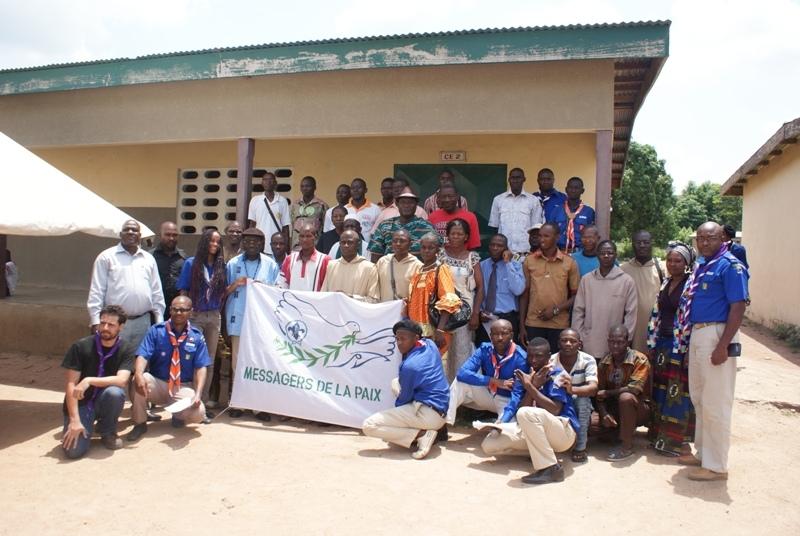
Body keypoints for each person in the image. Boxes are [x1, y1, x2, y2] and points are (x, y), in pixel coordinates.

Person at [680, 222, 749, 481]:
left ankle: (717, 466)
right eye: (700, 238)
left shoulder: (730, 266)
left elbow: (738, 307)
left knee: (716, 402)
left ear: (722, 238)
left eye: (710, 238)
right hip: (699, 332)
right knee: (699, 397)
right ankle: (703, 453)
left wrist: (723, 346)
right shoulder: (704, 265)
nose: (704, 243)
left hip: (717, 333)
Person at [481, 337, 579, 485]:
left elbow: (555, 410)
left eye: (538, 356)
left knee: (526, 413)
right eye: (530, 356)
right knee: (489, 444)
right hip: (538, 432)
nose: (533, 360)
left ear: (548, 356)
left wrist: (531, 387)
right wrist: (530, 386)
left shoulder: (557, 375)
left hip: (563, 433)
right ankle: (539, 453)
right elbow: (521, 409)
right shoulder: (525, 375)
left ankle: (551, 468)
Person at [362, 320, 450, 460]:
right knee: (396, 382)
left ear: (416, 338)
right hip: (442, 410)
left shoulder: (410, 366)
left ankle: (422, 435)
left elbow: (404, 400)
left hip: (427, 414)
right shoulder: (430, 345)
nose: (399, 343)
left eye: (403, 339)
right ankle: (437, 429)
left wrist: (397, 419)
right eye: (397, 339)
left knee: (368, 425)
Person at [126, 296, 211, 442]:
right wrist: (139, 373)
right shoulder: (156, 331)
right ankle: (140, 423)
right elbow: (143, 355)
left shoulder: (196, 336)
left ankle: (178, 416)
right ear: (170, 310)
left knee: (198, 413)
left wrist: (198, 393)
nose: (178, 313)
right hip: (158, 382)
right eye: (175, 309)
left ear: (191, 312)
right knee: (140, 380)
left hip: (182, 386)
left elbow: (201, 367)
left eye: (183, 310)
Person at [61, 305, 134, 459]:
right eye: (102, 323)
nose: (105, 328)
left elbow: (122, 380)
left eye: (111, 325)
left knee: (115, 393)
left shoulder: (126, 349)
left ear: (121, 327)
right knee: (74, 452)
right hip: (81, 403)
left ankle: (107, 431)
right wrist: (74, 420)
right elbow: (71, 385)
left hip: (104, 401)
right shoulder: (80, 346)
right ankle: (82, 422)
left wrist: (89, 380)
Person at [225, 228, 280, 419]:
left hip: (261, 323)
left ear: (262, 245)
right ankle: (238, 404)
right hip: (238, 319)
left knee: (259, 364)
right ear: (242, 243)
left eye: (256, 242)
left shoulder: (270, 265)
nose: (251, 245)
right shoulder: (232, 264)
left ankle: (258, 406)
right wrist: (236, 284)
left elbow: (277, 293)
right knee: (237, 363)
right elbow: (223, 292)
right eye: (247, 241)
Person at [647, 241, 695, 457]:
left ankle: (676, 442)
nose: (673, 264)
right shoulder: (665, 283)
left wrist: (688, 349)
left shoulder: (690, 285)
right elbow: (656, 315)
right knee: (660, 390)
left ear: (686, 263)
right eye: (670, 260)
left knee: (677, 393)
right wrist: (652, 343)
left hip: (679, 345)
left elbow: (691, 319)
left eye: (678, 261)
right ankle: (658, 437)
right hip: (662, 344)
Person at [87, 219, 165, 347]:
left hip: (143, 322)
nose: (130, 232)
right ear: (120, 234)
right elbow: (97, 291)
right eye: (126, 229)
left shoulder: (148, 259)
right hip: (114, 321)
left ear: (140, 235)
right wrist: (96, 321)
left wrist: (159, 321)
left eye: (134, 230)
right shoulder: (106, 257)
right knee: (113, 360)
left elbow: (156, 292)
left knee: (140, 361)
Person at [176, 228, 227, 407]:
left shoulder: (221, 266)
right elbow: (183, 290)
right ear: (204, 242)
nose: (214, 244)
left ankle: (202, 402)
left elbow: (222, 292)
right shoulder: (191, 264)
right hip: (195, 316)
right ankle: (185, 399)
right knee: (190, 357)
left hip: (213, 317)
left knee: (209, 361)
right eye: (211, 241)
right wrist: (185, 315)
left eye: (217, 241)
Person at [445, 319, 528, 428]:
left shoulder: (520, 358)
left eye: (504, 334)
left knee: (501, 436)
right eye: (496, 334)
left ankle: (500, 423)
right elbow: (462, 373)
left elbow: (517, 395)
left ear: (511, 335)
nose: (500, 338)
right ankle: (443, 423)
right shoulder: (485, 349)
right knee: (459, 382)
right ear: (490, 335)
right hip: (488, 394)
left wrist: (504, 419)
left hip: (507, 401)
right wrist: (493, 381)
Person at [519, 222, 580, 353]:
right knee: (534, 362)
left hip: (559, 324)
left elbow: (576, 296)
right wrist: (522, 326)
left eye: (546, 236)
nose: (541, 239)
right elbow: (525, 295)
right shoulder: (529, 261)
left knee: (555, 364)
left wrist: (555, 310)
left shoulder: (569, 262)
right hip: (533, 323)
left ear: (557, 237)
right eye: (540, 236)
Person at [593, 325, 651, 461]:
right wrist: (604, 414)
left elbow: (634, 389)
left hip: (639, 408)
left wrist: (608, 393)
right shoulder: (604, 362)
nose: (615, 346)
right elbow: (598, 394)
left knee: (626, 398)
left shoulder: (639, 359)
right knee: (592, 425)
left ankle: (626, 446)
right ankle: (618, 432)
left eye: (619, 342)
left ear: (627, 342)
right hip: (614, 409)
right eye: (612, 342)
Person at [572, 240, 637, 360]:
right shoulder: (587, 280)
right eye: (603, 253)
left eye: (610, 253)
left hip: (615, 344)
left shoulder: (627, 281)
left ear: (616, 255)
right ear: (597, 255)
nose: (606, 256)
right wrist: (578, 337)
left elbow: (631, 314)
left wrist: (626, 339)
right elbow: (578, 311)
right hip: (589, 341)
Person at [439, 219, 484, 380]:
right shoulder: (441, 254)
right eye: (453, 234)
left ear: (466, 236)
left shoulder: (472, 257)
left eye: (460, 234)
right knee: (444, 349)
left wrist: (475, 314)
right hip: (443, 309)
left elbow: (480, 288)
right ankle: (444, 390)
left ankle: (462, 393)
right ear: (447, 236)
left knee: (461, 349)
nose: (456, 237)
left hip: (465, 311)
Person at [407, 233, 462, 357]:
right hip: (418, 332)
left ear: (438, 250)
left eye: (430, 247)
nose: (426, 251)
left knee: (434, 368)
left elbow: (449, 299)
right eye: (423, 247)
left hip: (435, 331)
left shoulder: (441, 269)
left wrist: (440, 330)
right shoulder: (419, 271)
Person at [550, 329, 597, 463]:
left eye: (573, 341)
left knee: (582, 400)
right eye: (564, 340)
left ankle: (580, 447)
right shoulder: (551, 361)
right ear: (558, 343)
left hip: (578, 401)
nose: (568, 344)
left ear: (580, 344)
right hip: (557, 400)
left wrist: (572, 390)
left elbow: (593, 388)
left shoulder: (588, 360)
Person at [621, 230, 665, 354]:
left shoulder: (662, 268)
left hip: (655, 327)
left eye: (646, 242)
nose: (642, 246)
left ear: (652, 244)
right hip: (632, 328)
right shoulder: (623, 269)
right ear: (632, 244)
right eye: (638, 242)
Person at [477, 234, 525, 344]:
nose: (495, 248)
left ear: (506, 249)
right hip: (486, 320)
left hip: (507, 318)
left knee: (507, 354)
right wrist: (479, 312)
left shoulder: (515, 265)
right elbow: (477, 291)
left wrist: (508, 263)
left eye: (499, 246)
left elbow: (518, 290)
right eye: (492, 245)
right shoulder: (481, 266)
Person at [488, 167, 544, 255]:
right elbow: (494, 228)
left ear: (524, 179)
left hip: (525, 253)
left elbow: (536, 229)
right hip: (504, 253)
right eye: (513, 178)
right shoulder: (498, 200)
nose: (515, 180)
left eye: (518, 178)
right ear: (509, 179)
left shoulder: (533, 201)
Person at [369, 187, 435, 261]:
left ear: (416, 205)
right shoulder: (385, 225)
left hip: (418, 271)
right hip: (390, 270)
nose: (406, 205)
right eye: (403, 202)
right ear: (397, 204)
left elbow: (435, 253)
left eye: (410, 202)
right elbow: (375, 255)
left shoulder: (427, 227)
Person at [320, 230, 380, 303]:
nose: (346, 245)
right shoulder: (331, 265)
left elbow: (374, 300)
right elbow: (323, 295)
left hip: (356, 313)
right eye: (343, 242)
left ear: (358, 244)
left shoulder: (370, 268)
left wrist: (350, 298)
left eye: (350, 242)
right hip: (334, 312)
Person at [277, 222, 330, 291]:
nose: (304, 240)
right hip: (292, 301)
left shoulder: (324, 260)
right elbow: (283, 285)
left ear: (315, 238)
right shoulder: (290, 259)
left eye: (308, 236)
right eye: (302, 236)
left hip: (314, 301)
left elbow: (327, 288)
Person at [247, 171, 291, 254]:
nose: (268, 182)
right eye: (265, 180)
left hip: (277, 246)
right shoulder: (255, 200)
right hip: (259, 246)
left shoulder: (282, 201)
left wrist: (287, 246)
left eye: (271, 180)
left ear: (275, 183)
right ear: (262, 183)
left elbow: (285, 227)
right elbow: (252, 225)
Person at [149, 221, 186, 319]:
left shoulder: (183, 258)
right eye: (167, 235)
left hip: (177, 310)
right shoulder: (150, 257)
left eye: (174, 235)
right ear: (160, 235)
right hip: (154, 310)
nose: (171, 238)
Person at [375, 229, 423, 303]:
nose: (398, 244)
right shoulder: (383, 261)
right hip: (383, 310)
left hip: (404, 312)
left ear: (410, 244)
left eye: (402, 241)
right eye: (395, 241)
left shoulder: (417, 266)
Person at [428, 184, 481, 249]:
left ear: (457, 197)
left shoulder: (470, 217)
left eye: (450, 196)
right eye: (443, 197)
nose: (447, 200)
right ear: (439, 198)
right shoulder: (432, 217)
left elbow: (473, 245)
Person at [552, 177, 596, 252]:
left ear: (582, 191)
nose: (573, 190)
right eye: (570, 187)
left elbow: (593, 234)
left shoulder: (589, 212)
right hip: (559, 252)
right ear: (566, 189)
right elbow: (551, 232)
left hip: (581, 252)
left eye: (576, 188)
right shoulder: (556, 210)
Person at [291, 176, 328, 250]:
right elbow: (292, 224)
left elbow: (325, 228)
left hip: (314, 246)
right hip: (297, 246)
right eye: (302, 186)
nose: (304, 188)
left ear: (314, 187)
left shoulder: (321, 205)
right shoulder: (295, 205)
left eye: (308, 186)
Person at [345, 178, 382, 245]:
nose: (355, 190)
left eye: (359, 187)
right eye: (353, 188)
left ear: (365, 190)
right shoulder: (345, 209)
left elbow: (378, 232)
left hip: (367, 248)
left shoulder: (375, 209)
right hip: (347, 246)